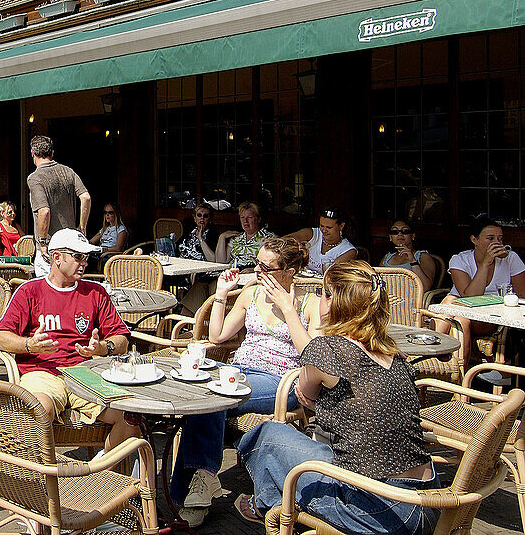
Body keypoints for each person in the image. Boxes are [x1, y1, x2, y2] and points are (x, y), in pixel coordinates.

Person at [236, 261, 439, 533]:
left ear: (334, 303)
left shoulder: (327, 351)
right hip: (430, 502)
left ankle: (269, 505)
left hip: (379, 511)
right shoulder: (395, 355)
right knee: (314, 449)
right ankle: (269, 504)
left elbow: (306, 394)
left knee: (268, 436)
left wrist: (288, 308)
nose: (319, 299)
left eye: (323, 293)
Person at [171, 236, 320, 527]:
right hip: (240, 372)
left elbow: (313, 355)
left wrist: (288, 310)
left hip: (281, 381)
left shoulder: (309, 304)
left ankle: (192, 489)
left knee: (217, 397)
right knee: (207, 394)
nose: (258, 271)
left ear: (289, 272)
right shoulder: (251, 294)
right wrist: (222, 294)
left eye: (267, 268)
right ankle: (196, 488)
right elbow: (217, 337)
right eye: (257, 264)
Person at [0, 228, 140, 452]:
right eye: (78, 256)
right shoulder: (29, 291)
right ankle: (36, 481)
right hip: (42, 372)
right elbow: (0, 339)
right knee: (37, 411)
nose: (84, 263)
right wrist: (29, 344)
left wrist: (104, 348)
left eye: (86, 257)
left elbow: (122, 339)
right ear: (57, 258)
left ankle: (100, 476)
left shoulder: (96, 292)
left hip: (86, 374)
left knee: (131, 416)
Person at [435, 216, 525, 364]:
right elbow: (468, 296)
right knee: (457, 310)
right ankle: (453, 370)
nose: (497, 243)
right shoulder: (460, 260)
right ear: (474, 240)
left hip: (494, 316)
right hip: (461, 311)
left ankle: (436, 352)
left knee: (453, 305)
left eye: (500, 239)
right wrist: (485, 264)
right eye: (490, 238)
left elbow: (522, 294)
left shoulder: (510, 258)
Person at [27, 135, 91, 278]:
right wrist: (82, 227)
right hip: (70, 245)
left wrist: (42, 242)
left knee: (48, 292)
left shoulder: (35, 177)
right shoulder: (68, 171)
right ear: (52, 153)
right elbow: (86, 197)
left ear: (32, 153)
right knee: (69, 289)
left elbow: (44, 211)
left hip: (51, 247)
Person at [286, 208, 357, 276]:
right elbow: (284, 241)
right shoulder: (312, 234)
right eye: (322, 226)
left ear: (341, 226)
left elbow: (331, 275)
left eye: (329, 227)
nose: (324, 230)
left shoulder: (349, 251)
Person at [379, 219, 437, 292]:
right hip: (389, 299)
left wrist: (413, 261)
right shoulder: (387, 257)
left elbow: (426, 287)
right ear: (390, 237)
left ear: (413, 236)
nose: (399, 234)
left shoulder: (422, 256)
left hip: (411, 300)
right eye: (395, 232)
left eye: (405, 231)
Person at [215, 201, 275, 271]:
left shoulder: (269, 238)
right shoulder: (237, 238)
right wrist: (222, 237)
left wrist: (253, 270)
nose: (245, 221)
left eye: (249, 217)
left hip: (253, 276)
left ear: (258, 219)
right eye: (242, 217)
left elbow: (272, 265)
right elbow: (221, 262)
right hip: (233, 274)